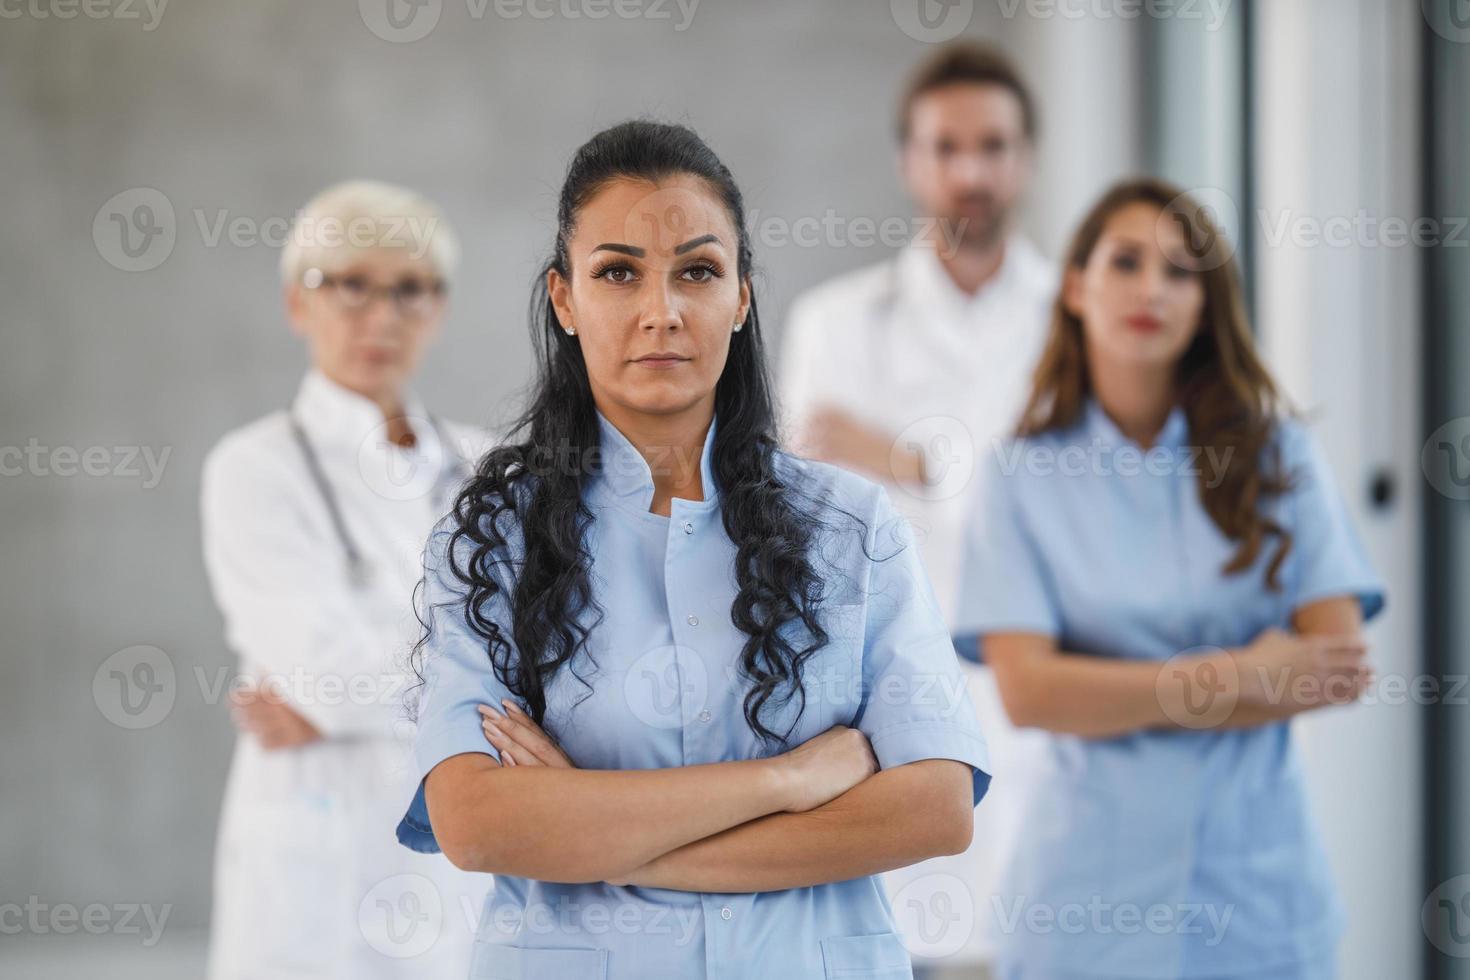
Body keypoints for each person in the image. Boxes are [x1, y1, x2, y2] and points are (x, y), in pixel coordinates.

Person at [395, 120, 993, 979]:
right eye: (617, 273)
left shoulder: (855, 527)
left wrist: (595, 831)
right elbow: (479, 824)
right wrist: (784, 783)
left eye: (699, 272)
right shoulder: (493, 538)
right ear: (564, 300)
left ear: (742, 297)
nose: (661, 312)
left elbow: (932, 809)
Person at [954, 178, 1386, 979]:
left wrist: (1115, 690)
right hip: (1086, 899)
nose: (1153, 288)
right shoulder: (1020, 477)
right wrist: (1242, 674)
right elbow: (1031, 695)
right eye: (1126, 262)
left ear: (1205, 302)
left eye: (1182, 272)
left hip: (1260, 892)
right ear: (1077, 286)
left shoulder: (1277, 456)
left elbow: (1338, 667)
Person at [778, 42, 1055, 967]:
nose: (970, 170)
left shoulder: (1082, 320)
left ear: (1027, 158)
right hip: (888, 700)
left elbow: (1072, 505)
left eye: (993, 145)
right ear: (909, 160)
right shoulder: (835, 322)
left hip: (1046, 703)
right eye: (946, 147)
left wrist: (903, 456)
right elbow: (814, 521)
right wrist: (969, 467)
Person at [201, 180, 492, 979]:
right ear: (299, 303)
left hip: (459, 858)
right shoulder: (255, 467)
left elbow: (549, 654)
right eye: (351, 285)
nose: (382, 315)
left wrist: (335, 707)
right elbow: (319, 674)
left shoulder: (485, 467)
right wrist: (472, 693)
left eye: (411, 290)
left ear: (440, 309)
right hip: (316, 864)